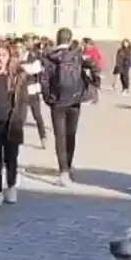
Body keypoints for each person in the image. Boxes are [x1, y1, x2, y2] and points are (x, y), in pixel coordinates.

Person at [39, 28, 91, 186]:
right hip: (75, 100)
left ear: (57, 39)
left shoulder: (49, 57)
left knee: (60, 137)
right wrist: (89, 87)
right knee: (71, 134)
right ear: (70, 40)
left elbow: (44, 80)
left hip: (58, 102)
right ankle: (68, 164)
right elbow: (94, 66)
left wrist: (49, 99)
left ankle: (63, 172)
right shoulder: (77, 55)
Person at [0, 44, 27, 207]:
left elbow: (23, 102)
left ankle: (11, 187)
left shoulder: (17, 76)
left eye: (3, 55)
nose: (0, 58)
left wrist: (20, 120)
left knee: (11, 159)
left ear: (9, 56)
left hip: (12, 123)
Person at [17, 42, 47, 148]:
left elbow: (37, 73)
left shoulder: (33, 59)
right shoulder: (15, 59)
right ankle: (17, 139)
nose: (18, 49)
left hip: (32, 91)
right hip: (20, 92)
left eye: (21, 47)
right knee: (20, 117)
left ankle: (43, 137)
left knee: (37, 116)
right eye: (17, 47)